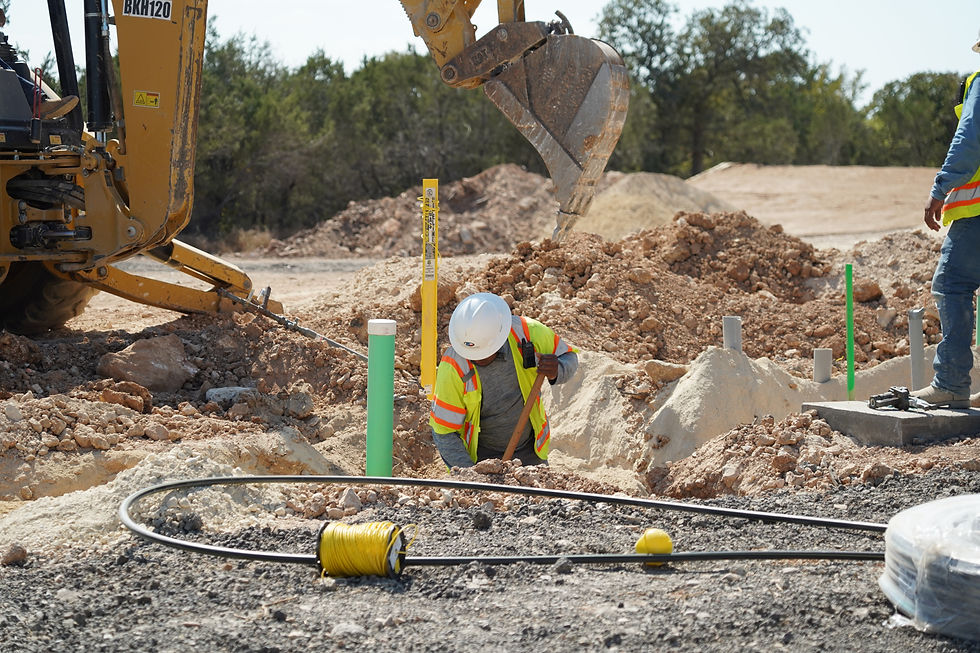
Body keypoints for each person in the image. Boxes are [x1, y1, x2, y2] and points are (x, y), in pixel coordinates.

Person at [429, 292, 579, 468]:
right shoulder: (453, 367)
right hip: (481, 459)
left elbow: (569, 357)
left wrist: (557, 369)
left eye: (483, 353)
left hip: (530, 452)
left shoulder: (526, 332)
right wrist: (470, 478)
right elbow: (444, 432)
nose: (476, 359)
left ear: (499, 336)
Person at [913, 30, 980, 409]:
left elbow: (970, 139)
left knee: (952, 284)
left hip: (977, 216)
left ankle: (952, 383)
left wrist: (940, 189)